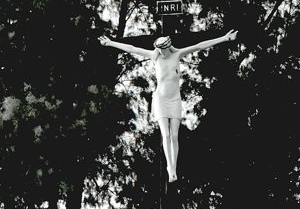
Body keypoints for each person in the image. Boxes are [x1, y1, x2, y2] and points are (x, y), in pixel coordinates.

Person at [99, 29, 238, 182]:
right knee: (165, 134)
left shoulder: (177, 54)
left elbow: (200, 46)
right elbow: (132, 48)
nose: (161, 53)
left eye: (163, 50)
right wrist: (110, 43)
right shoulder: (154, 56)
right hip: (160, 99)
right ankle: (170, 168)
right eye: (159, 50)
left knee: (174, 135)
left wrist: (225, 39)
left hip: (175, 99)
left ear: (168, 47)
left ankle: (174, 166)